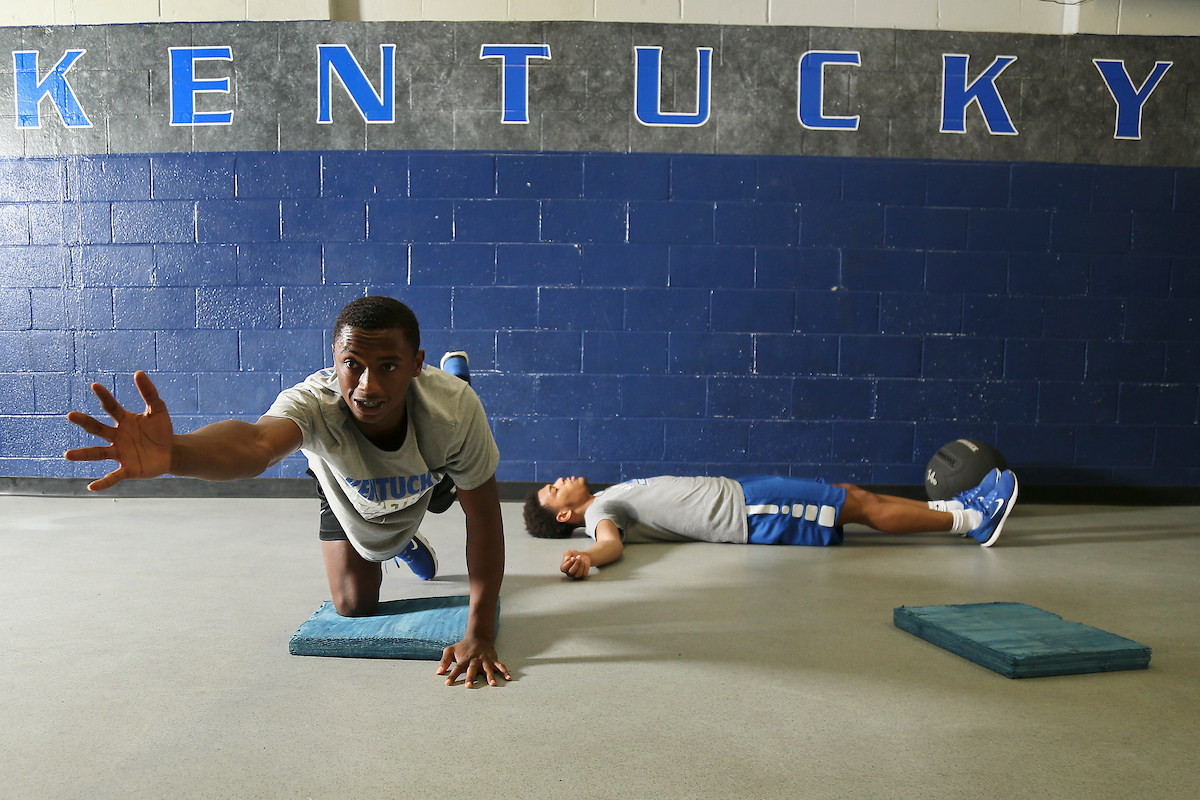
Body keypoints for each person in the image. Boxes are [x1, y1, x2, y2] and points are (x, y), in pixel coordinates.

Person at [64, 296, 510, 688]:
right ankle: (401, 540)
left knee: (452, 468)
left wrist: (479, 632)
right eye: (352, 364)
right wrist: (176, 454)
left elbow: (484, 516)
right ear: (334, 360)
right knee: (353, 606)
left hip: (427, 477)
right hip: (348, 487)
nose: (367, 385)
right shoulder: (313, 402)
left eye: (389, 366)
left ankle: (459, 374)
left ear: (416, 364)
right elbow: (256, 445)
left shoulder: (452, 414)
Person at [524, 469, 1018, 579]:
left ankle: (955, 507)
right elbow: (610, 544)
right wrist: (588, 558)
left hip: (748, 494)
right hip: (749, 512)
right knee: (860, 504)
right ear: (565, 514)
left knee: (848, 495)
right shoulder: (599, 515)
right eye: (552, 490)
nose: (559, 480)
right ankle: (973, 519)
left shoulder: (605, 495)